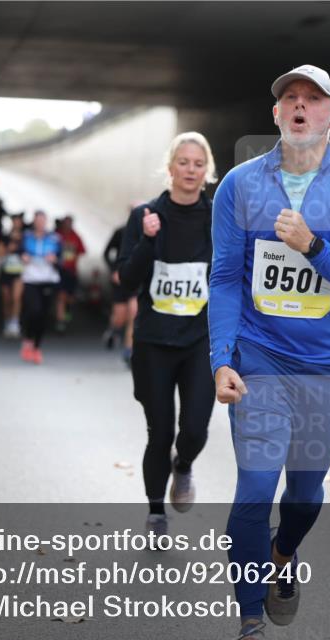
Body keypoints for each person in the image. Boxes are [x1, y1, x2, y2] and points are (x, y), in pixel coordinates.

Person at [210, 65, 330, 640]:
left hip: (326, 365)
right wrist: (221, 359)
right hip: (258, 357)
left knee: (305, 495)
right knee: (256, 486)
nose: (300, 106)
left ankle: (282, 553)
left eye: (313, 99)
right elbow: (225, 277)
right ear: (276, 114)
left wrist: (313, 246)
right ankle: (249, 624)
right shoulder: (239, 185)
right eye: (290, 97)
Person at [117, 132, 218, 546]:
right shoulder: (145, 215)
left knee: (193, 429)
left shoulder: (218, 219)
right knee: (159, 433)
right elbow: (126, 279)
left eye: (198, 163)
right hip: (154, 342)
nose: (190, 170)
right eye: (183, 162)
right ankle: (156, 512)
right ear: (170, 167)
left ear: (207, 171)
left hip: (200, 341)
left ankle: (185, 464)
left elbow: (233, 275)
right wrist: (147, 240)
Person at [20, 211, 61, 364]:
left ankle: (37, 347)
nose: (40, 223)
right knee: (33, 310)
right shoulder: (26, 236)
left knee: (43, 315)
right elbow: (18, 251)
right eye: (38, 221)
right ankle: (27, 339)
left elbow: (63, 259)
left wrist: (55, 260)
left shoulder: (54, 238)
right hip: (31, 279)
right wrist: (23, 256)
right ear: (34, 222)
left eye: (43, 221)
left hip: (47, 279)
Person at [102, 216, 138, 364]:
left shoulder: (151, 232)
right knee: (120, 317)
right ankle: (113, 329)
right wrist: (114, 271)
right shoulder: (121, 231)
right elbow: (106, 253)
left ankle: (129, 349)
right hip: (121, 279)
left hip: (138, 279)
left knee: (133, 313)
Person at [55, 214, 87, 333]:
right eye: (66, 223)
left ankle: (67, 309)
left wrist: (73, 255)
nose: (67, 225)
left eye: (69, 223)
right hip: (59, 270)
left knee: (70, 298)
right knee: (61, 296)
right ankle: (60, 322)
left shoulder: (76, 236)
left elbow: (82, 251)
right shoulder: (57, 235)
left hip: (71, 271)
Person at [0, 213, 26, 337]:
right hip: (6, 271)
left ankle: (15, 322)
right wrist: (8, 249)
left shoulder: (26, 237)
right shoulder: (5, 236)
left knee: (16, 297)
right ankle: (7, 320)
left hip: (19, 272)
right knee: (6, 298)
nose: (17, 224)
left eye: (19, 221)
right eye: (15, 221)